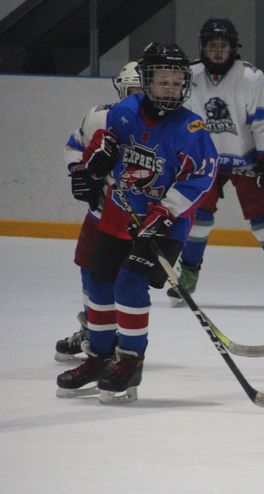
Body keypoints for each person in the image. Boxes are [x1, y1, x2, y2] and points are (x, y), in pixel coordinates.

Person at [56, 42, 218, 403]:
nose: (171, 89)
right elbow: (106, 143)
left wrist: (164, 213)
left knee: (130, 284)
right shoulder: (124, 112)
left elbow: (200, 179)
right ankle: (99, 358)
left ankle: (130, 361)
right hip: (119, 213)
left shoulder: (191, 129)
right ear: (145, 81)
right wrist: (92, 168)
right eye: (163, 82)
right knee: (99, 282)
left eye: (177, 83)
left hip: (166, 222)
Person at [167, 18, 264, 308]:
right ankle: (189, 275)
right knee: (198, 221)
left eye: (223, 46)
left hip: (245, 158)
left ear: (233, 48)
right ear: (203, 48)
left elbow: (261, 121)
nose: (218, 51)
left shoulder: (250, 77)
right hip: (204, 160)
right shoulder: (189, 75)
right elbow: (180, 120)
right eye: (212, 46)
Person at [55, 61, 143, 363]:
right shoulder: (99, 117)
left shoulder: (159, 129)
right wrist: (80, 172)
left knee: (128, 279)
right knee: (89, 269)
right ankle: (95, 330)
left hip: (134, 220)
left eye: (143, 92)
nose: (137, 99)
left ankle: (127, 338)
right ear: (121, 90)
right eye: (133, 91)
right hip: (100, 214)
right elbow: (74, 145)